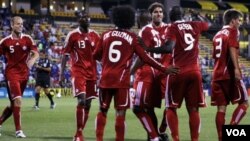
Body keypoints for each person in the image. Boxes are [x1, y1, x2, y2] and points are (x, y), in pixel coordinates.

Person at [93, 5, 179, 141]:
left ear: (115, 19)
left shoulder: (105, 35)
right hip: (122, 80)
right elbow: (145, 58)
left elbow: (95, 55)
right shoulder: (132, 37)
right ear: (130, 20)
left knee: (102, 110)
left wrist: (106, 63)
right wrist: (163, 68)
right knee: (120, 113)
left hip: (105, 78)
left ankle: (99, 139)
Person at [142, 6, 210, 141]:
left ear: (170, 18)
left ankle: (176, 138)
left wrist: (148, 48)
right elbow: (209, 24)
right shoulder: (194, 25)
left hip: (177, 71)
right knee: (194, 109)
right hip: (195, 72)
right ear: (183, 16)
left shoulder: (172, 28)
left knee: (171, 108)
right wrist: (198, 15)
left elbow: (168, 48)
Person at [131, 2, 170, 141]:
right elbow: (143, 55)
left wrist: (130, 72)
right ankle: (155, 135)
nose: (158, 14)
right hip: (151, 71)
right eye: (155, 12)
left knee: (170, 104)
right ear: (151, 15)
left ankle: (159, 131)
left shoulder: (169, 29)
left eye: (160, 12)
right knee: (148, 107)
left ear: (163, 14)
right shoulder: (146, 30)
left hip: (164, 72)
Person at [60, 10, 100, 141]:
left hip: (92, 73)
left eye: (88, 17)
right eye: (83, 17)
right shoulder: (72, 35)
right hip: (78, 72)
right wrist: (61, 75)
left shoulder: (95, 35)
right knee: (81, 100)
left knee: (88, 104)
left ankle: (79, 132)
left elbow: (101, 55)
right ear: (79, 20)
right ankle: (79, 134)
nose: (86, 19)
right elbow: (65, 55)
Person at [211, 9, 249, 141]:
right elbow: (232, 48)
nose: (240, 23)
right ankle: (231, 131)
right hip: (229, 74)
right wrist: (237, 69)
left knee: (221, 108)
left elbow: (215, 56)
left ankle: (221, 137)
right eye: (238, 20)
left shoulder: (217, 35)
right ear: (232, 21)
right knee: (244, 102)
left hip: (216, 74)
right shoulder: (233, 31)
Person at [0, 16, 39, 138]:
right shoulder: (5, 41)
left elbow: (36, 53)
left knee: (14, 105)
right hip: (11, 74)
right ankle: (18, 131)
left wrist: (32, 61)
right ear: (12, 25)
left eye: (22, 24)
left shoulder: (27, 39)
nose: (20, 26)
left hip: (24, 75)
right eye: (18, 24)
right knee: (18, 100)